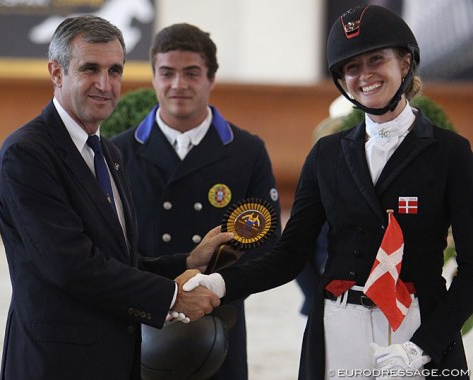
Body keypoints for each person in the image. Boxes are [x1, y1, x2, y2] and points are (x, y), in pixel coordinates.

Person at [183, 5, 473, 380]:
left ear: (404, 63)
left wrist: (423, 346)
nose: (364, 75)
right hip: (339, 325)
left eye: (376, 60)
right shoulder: (327, 154)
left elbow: (470, 270)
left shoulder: (450, 152)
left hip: (416, 327)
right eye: (351, 67)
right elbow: (290, 255)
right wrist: (219, 283)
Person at [0, 15, 232, 380]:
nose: (105, 84)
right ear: (56, 73)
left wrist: (186, 260)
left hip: (116, 360)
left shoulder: (109, 154)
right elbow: (71, 265)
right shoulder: (27, 153)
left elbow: (115, 259)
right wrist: (172, 295)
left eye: (115, 70)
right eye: (90, 68)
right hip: (55, 365)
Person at [112, 23, 281, 379]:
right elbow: (110, 248)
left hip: (220, 321)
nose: (178, 84)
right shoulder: (118, 152)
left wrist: (216, 290)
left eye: (191, 73)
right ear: (154, 77)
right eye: (167, 73)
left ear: (211, 79)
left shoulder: (247, 151)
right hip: (143, 321)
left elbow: (267, 245)